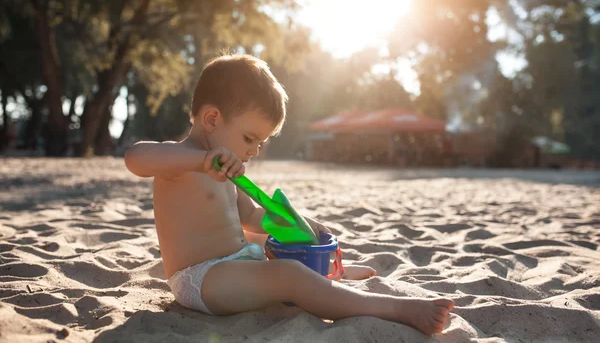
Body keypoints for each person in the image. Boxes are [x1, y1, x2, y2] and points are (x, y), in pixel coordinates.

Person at [124, 53, 454, 335]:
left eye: (260, 143)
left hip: (234, 264)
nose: (253, 151)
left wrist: (301, 224)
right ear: (212, 119)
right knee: (288, 274)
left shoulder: (225, 171)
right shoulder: (179, 160)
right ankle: (393, 309)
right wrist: (200, 161)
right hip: (200, 279)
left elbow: (250, 216)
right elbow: (136, 158)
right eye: (249, 138)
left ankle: (328, 274)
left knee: (279, 244)